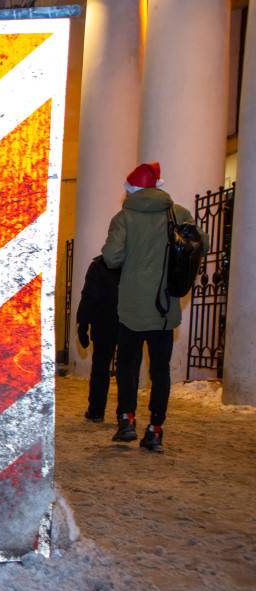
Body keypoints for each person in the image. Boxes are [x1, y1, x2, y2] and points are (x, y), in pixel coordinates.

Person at [101, 161, 201, 453]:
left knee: (128, 366)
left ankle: (126, 419)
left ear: (131, 190)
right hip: (164, 307)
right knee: (160, 371)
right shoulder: (178, 213)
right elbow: (200, 245)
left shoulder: (124, 217)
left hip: (132, 307)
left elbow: (111, 257)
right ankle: (155, 430)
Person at [76, 256, 122, 423]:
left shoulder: (98, 265)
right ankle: (125, 416)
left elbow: (89, 296)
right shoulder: (133, 263)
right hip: (128, 323)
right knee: (127, 369)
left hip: (103, 322)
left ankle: (96, 410)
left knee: (100, 368)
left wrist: (83, 323)